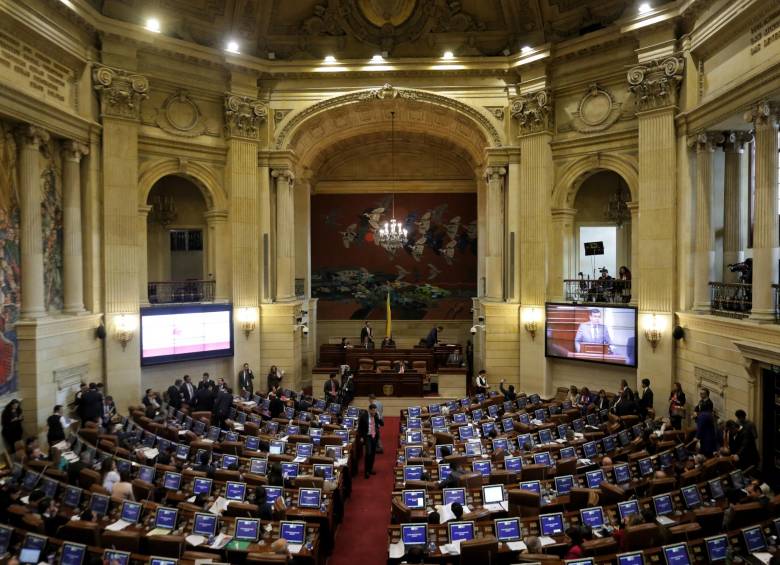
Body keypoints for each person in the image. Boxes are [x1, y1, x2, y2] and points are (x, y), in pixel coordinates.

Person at [358, 404, 382, 479]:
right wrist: (361, 437)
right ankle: (366, 472)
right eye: (373, 410)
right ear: (370, 410)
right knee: (368, 453)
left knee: (373, 454)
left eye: (375, 410)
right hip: (367, 436)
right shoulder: (363, 416)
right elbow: (360, 428)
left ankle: (370, 469)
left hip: (374, 436)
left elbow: (382, 424)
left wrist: (379, 417)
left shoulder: (376, 415)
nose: (374, 412)